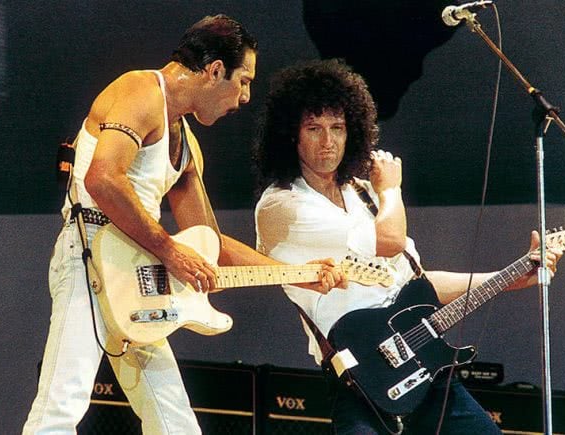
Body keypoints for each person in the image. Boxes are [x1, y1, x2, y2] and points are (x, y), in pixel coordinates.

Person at [23, 16, 338, 435]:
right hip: (89, 254)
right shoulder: (140, 90)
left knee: (174, 420)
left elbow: (210, 246)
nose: (245, 97)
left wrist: (301, 275)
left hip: (137, 271)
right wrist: (171, 251)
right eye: (243, 81)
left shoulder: (187, 146)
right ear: (214, 71)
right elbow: (102, 178)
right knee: (61, 407)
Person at [253, 59, 561, 434]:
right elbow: (389, 242)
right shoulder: (282, 205)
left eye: (338, 127)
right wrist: (391, 189)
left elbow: (417, 283)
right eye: (314, 128)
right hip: (360, 380)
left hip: (424, 368)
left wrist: (512, 275)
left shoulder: (363, 194)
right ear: (291, 135)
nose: (328, 141)